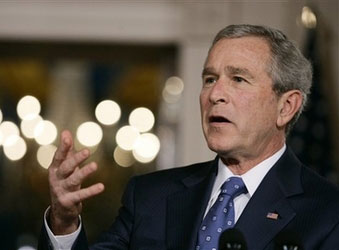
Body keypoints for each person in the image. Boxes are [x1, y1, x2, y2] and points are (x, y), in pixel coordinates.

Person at [38, 24, 339, 250]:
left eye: (238, 79)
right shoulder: (149, 197)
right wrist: (63, 223)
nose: (215, 94)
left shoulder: (328, 213)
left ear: (286, 107)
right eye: (210, 79)